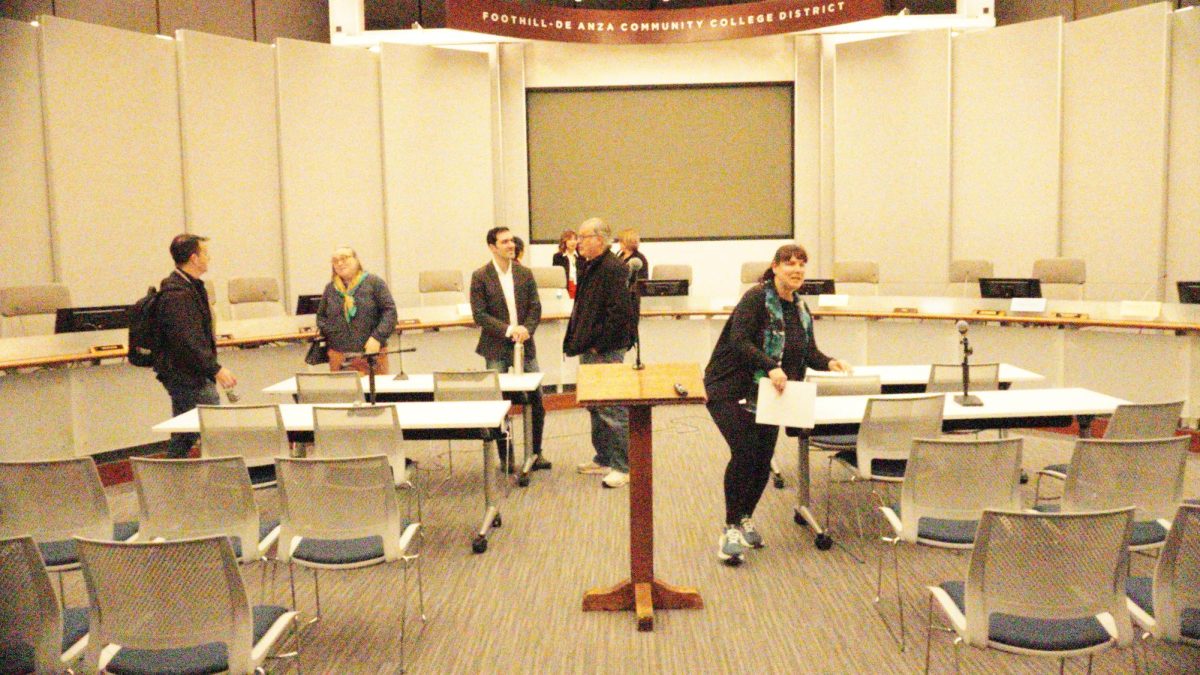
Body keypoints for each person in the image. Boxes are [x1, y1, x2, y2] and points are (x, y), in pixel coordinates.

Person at [704, 243, 849, 565]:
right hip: (729, 386)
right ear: (775, 268)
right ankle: (730, 527)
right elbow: (738, 341)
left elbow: (808, 352)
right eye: (789, 264)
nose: (796, 270)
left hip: (772, 392)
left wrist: (830, 362)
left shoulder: (800, 308)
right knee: (744, 452)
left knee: (763, 457)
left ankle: (745, 518)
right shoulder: (756, 299)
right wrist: (770, 364)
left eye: (801, 264)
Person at [564, 217, 638, 489]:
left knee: (612, 407)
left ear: (600, 239)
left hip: (604, 349)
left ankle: (623, 466)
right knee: (595, 406)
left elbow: (619, 315)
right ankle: (604, 457)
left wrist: (597, 344)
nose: (578, 242)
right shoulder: (591, 265)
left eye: (583, 237)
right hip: (591, 346)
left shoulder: (614, 268)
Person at [469, 227, 550, 472]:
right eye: (504, 242)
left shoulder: (525, 273)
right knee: (499, 404)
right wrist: (508, 330)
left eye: (512, 241)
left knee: (537, 400)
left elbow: (536, 307)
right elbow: (479, 314)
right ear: (492, 247)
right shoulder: (480, 276)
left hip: (525, 343)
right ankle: (506, 458)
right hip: (495, 346)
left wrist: (527, 328)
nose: (511, 245)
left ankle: (535, 453)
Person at [154, 234, 237, 458]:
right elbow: (187, 341)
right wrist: (216, 369)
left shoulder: (191, 286)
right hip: (188, 375)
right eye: (205, 253)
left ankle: (172, 478)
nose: (209, 258)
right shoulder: (177, 294)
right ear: (194, 258)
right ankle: (222, 481)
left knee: (185, 434)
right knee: (215, 431)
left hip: (189, 373)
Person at [316, 247, 398, 375]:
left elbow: (390, 312)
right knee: (344, 394)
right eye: (335, 260)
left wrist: (377, 338)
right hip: (339, 356)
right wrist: (334, 336)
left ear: (356, 260)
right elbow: (321, 318)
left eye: (344, 258)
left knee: (376, 394)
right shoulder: (330, 288)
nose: (339, 263)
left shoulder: (374, 282)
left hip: (371, 354)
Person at [551, 229, 581, 299]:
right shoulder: (558, 257)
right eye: (570, 239)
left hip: (579, 287)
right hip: (566, 287)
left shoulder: (581, 257)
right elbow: (557, 277)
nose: (573, 242)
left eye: (575, 239)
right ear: (564, 241)